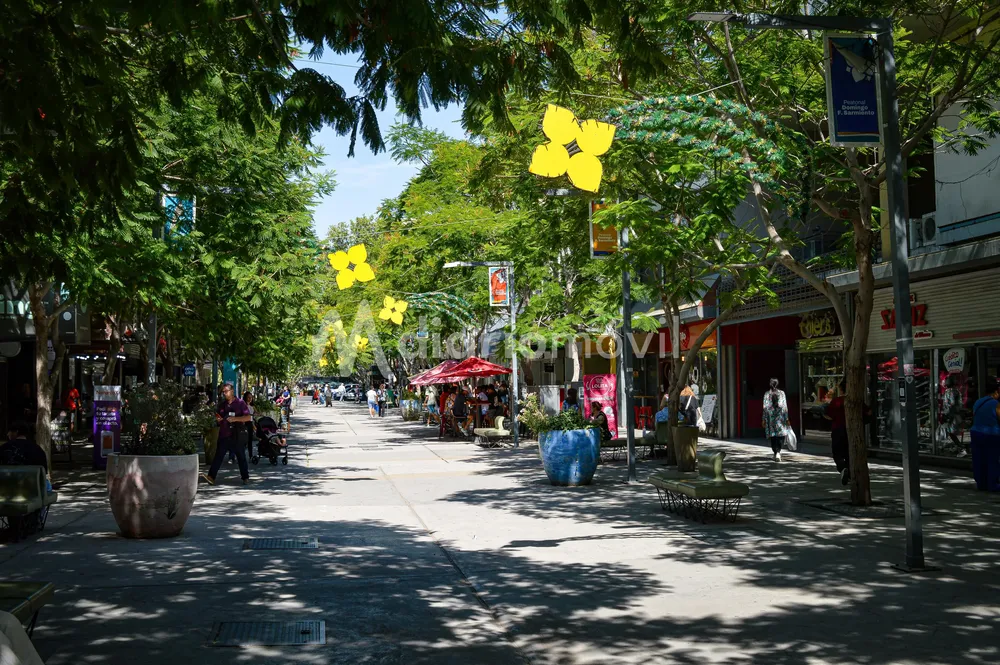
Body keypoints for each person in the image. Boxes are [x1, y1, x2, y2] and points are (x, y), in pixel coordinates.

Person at [201, 383, 252, 486]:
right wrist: (218, 419)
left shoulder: (240, 403)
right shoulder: (222, 405)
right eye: (223, 392)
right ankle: (211, 477)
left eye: (226, 391)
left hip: (236, 435)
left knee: (241, 456)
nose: (224, 393)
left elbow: (248, 417)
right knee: (218, 456)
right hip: (224, 434)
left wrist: (235, 419)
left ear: (232, 391)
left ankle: (245, 477)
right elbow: (218, 416)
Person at [825, 380, 850, 485]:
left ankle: (842, 468)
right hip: (850, 431)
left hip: (838, 430)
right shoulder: (855, 401)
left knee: (837, 453)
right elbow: (868, 412)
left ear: (841, 389)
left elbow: (829, 415)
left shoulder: (836, 401)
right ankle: (849, 472)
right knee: (848, 453)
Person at [762, 378, 791, 462]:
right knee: (780, 435)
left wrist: (763, 419)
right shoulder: (782, 393)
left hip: (770, 419)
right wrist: (787, 418)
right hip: (780, 418)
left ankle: (775, 452)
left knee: (773, 436)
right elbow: (785, 407)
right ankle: (778, 452)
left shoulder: (767, 394)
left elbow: (765, 408)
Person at [941, 375, 965, 455]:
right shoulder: (956, 390)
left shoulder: (949, 391)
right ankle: (958, 446)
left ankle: (960, 447)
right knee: (951, 431)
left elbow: (951, 403)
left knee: (950, 431)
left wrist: (947, 415)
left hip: (951, 413)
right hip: (955, 413)